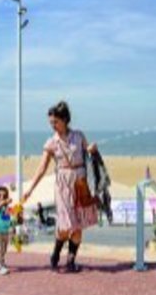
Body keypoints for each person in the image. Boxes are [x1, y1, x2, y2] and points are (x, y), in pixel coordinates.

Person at [21, 101, 98, 273]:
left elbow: (88, 153)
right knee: (64, 227)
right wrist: (30, 189)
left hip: (80, 183)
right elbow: (42, 168)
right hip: (63, 186)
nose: (53, 126)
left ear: (64, 120)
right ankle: (56, 252)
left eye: (55, 122)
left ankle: (71, 261)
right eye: (51, 123)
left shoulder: (78, 136)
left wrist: (92, 149)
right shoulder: (51, 143)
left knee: (78, 226)